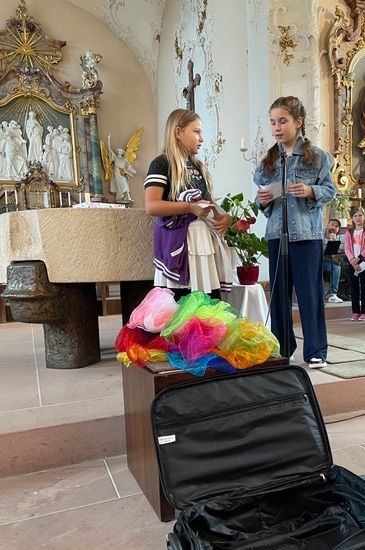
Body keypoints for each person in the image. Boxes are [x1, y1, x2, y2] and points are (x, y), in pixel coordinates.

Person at [254, 96, 335, 369]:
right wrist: (262, 200)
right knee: (279, 295)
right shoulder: (268, 161)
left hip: (307, 237)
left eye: (282, 121)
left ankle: (316, 351)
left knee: (310, 295)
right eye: (273, 122)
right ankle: (282, 348)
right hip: (277, 235)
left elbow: (330, 191)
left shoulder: (318, 157)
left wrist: (311, 190)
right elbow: (261, 200)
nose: (277, 127)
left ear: (298, 122)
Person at [144, 108, 233, 300]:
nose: (201, 138)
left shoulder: (198, 167)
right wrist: (190, 207)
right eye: (196, 131)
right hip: (179, 242)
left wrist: (224, 217)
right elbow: (151, 206)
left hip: (201, 242)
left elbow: (208, 203)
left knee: (207, 301)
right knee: (180, 302)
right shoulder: (162, 163)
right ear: (178, 132)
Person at [344, 207, 365, 320]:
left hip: (364, 262)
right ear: (352, 218)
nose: (358, 218)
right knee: (354, 288)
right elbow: (347, 248)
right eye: (355, 216)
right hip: (352, 263)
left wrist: (359, 258)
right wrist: (352, 260)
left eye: (360, 215)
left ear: (364, 217)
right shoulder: (349, 232)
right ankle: (355, 311)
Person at [107, 136, 136, 202]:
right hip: (117, 172)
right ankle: (120, 197)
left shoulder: (124, 159)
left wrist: (128, 171)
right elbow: (109, 149)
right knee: (119, 185)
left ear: (122, 152)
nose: (120, 152)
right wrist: (108, 139)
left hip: (123, 172)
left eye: (121, 151)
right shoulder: (115, 157)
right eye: (119, 151)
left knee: (125, 183)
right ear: (117, 152)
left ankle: (128, 197)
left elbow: (129, 166)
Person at [323, 218, 343, 303]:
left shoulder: (338, 238)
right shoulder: (320, 234)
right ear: (327, 225)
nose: (333, 227)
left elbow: (335, 258)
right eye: (332, 225)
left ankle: (332, 294)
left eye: (336, 226)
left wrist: (334, 242)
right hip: (316, 261)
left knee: (336, 267)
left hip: (327, 262)